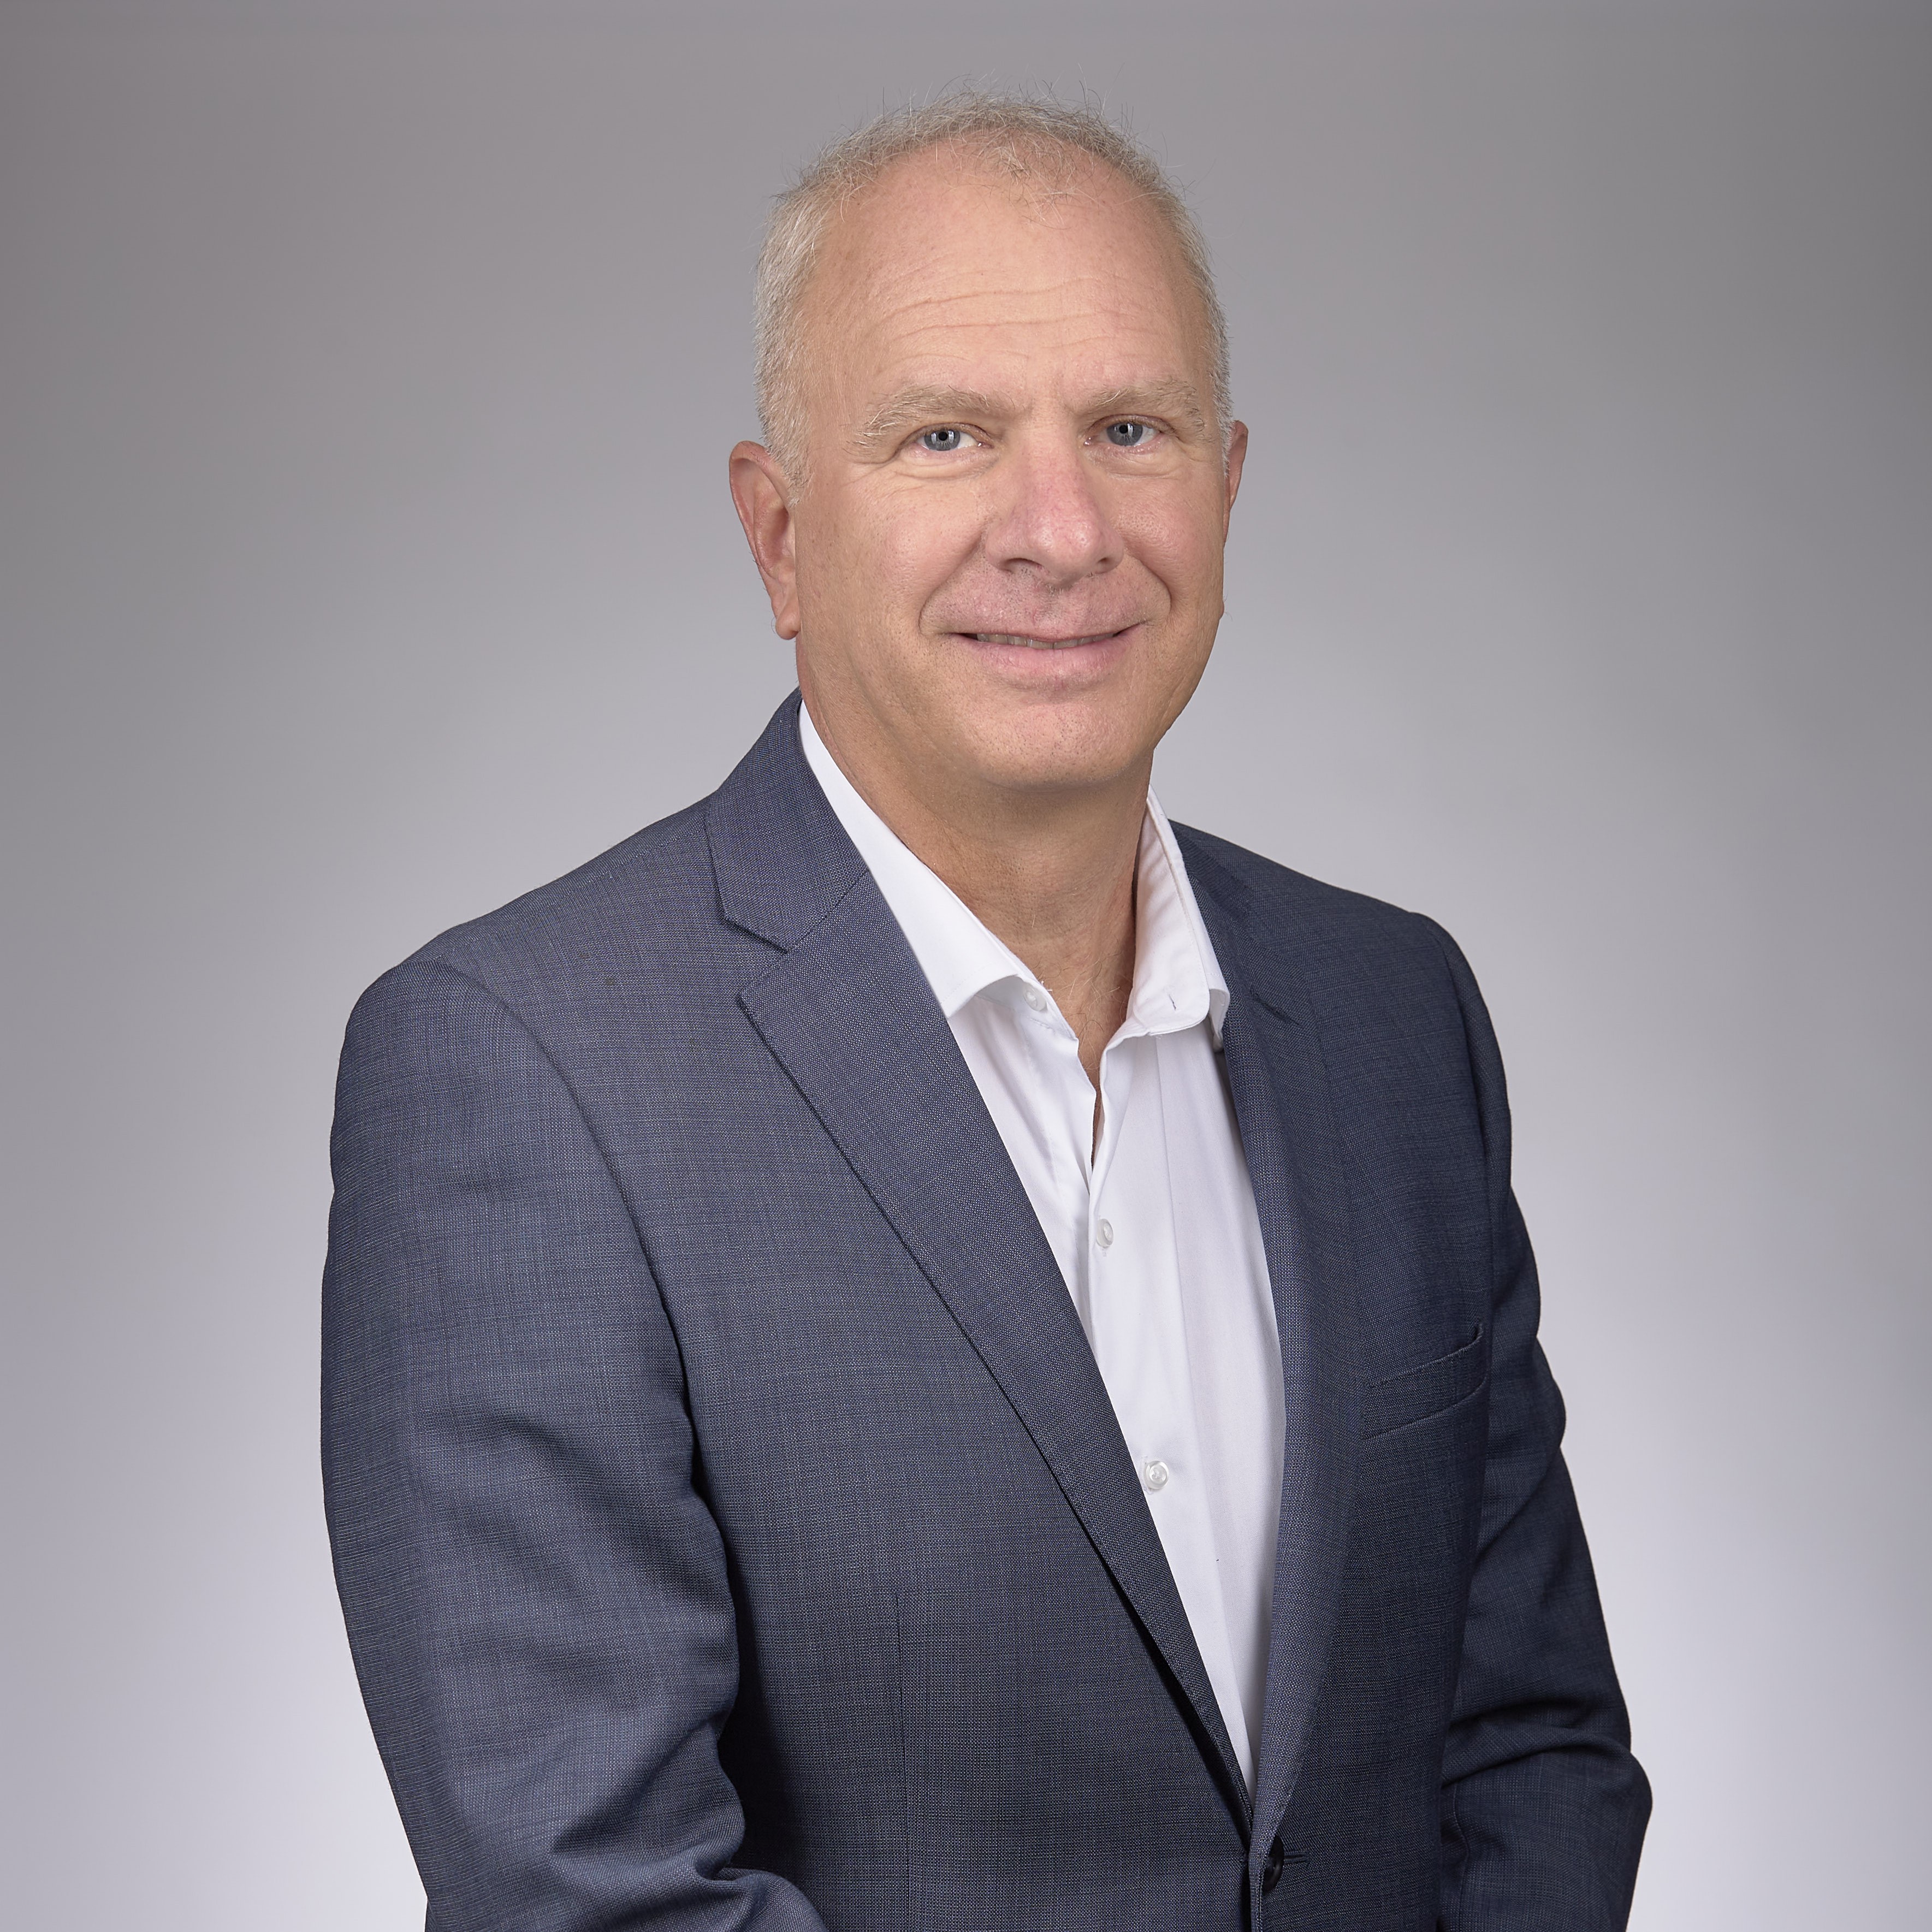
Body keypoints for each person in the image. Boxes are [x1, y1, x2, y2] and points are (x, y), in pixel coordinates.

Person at [322, 94, 1650, 1931]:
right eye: (945, 434)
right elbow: (594, 1895)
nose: (1061, 528)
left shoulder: (1392, 1015)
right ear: (780, 538)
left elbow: (1528, 1754)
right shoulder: (521, 1070)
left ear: (1227, 485)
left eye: (1129, 429)